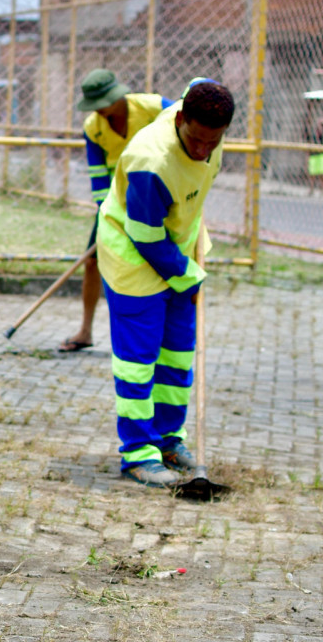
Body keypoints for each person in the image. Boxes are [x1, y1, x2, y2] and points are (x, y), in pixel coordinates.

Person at [97, 78, 235, 487]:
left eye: (213, 142)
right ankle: (139, 453)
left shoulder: (203, 114)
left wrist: (189, 261)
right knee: (138, 363)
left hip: (179, 249)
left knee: (177, 356)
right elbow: (145, 236)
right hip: (135, 260)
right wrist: (189, 277)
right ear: (179, 119)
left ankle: (169, 440)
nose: (203, 151)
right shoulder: (149, 161)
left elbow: (201, 83)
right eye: (195, 140)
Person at [60, 69, 173, 352]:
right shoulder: (93, 127)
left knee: (157, 259)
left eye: (102, 102)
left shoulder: (154, 107)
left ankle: (164, 334)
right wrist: (107, 214)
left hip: (158, 198)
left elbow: (184, 123)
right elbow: (98, 176)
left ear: (117, 95)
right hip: (116, 204)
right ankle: (85, 331)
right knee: (92, 262)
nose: (98, 110)